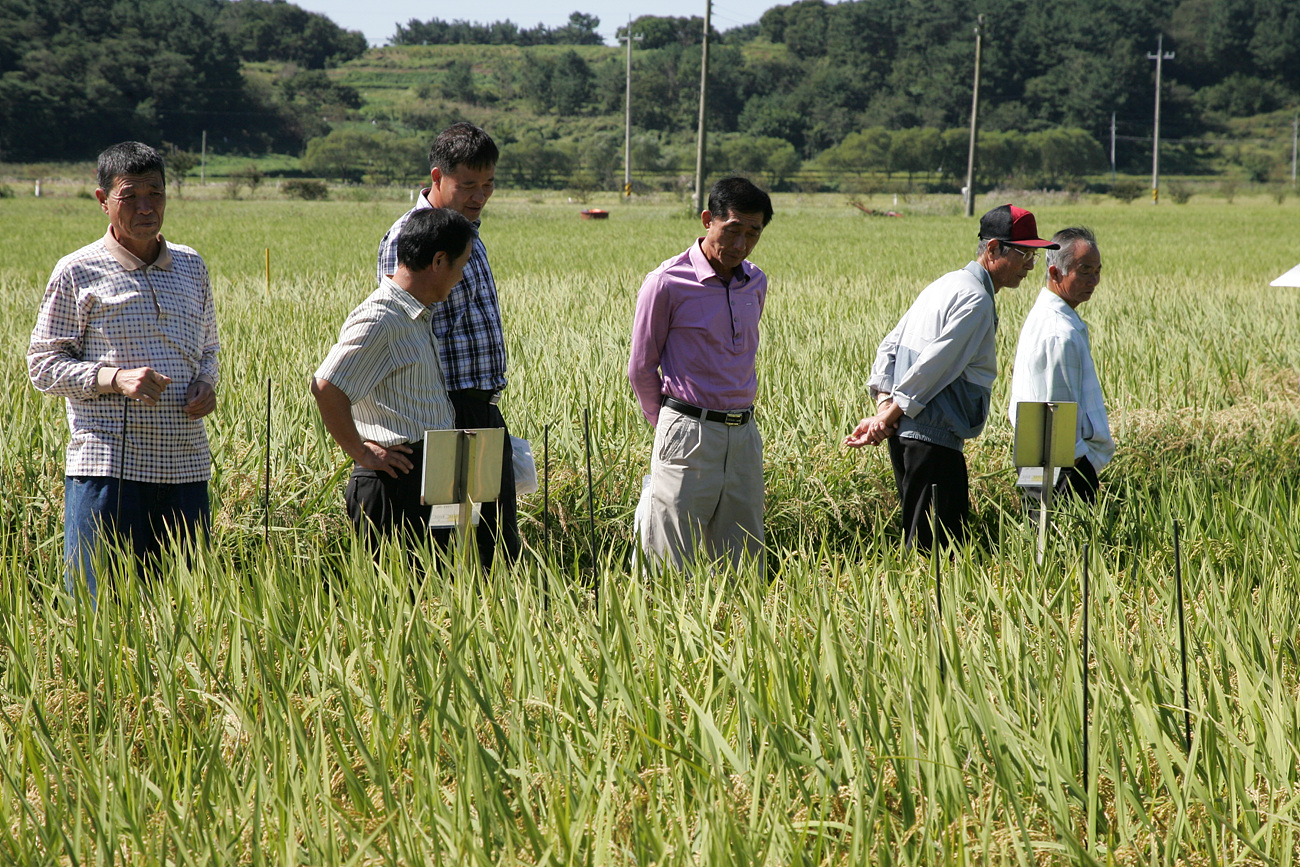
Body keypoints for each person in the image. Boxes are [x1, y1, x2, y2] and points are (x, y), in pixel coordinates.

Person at [28, 141, 220, 598]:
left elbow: (209, 348)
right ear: (102, 201)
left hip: (185, 467)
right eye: (130, 196)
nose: (145, 207)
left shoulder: (191, 266)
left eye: (155, 193)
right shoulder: (77, 270)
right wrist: (114, 378)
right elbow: (41, 363)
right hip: (109, 469)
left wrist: (206, 385)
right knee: (104, 616)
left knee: (186, 609)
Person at [844, 204, 1059, 551]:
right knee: (939, 552)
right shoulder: (976, 300)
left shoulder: (945, 284)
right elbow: (935, 366)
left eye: (1034, 256)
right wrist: (888, 414)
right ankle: (925, 605)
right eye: (1023, 254)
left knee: (922, 539)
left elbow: (889, 346)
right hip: (934, 442)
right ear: (992, 249)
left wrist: (885, 407)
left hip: (909, 437)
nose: (1030, 266)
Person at [376, 122, 520, 569]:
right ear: (437, 177)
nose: (480, 195)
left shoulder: (464, 230)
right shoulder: (412, 238)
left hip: (476, 409)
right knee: (454, 544)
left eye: (489, 185)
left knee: (493, 536)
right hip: (444, 413)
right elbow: (408, 332)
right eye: (468, 185)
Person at [628, 176, 773, 570]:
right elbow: (641, 367)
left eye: (753, 233)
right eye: (733, 230)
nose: (741, 244)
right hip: (686, 430)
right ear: (708, 220)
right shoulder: (666, 282)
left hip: (743, 433)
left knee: (743, 558)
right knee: (671, 561)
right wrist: (669, 427)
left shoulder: (755, 282)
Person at [314, 208, 476, 551]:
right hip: (394, 484)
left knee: (435, 593)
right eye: (460, 267)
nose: (460, 277)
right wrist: (361, 451)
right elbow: (326, 386)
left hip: (428, 476)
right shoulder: (381, 319)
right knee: (398, 598)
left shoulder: (415, 313)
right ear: (438, 261)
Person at [1008, 226, 1113, 504]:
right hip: (1064, 469)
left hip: (1046, 463)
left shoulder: (1053, 319)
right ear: (1055, 273)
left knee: (1044, 540)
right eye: (1085, 271)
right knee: (1065, 542)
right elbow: (1056, 417)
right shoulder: (1059, 333)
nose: (1094, 280)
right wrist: (1084, 466)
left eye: (1097, 271)